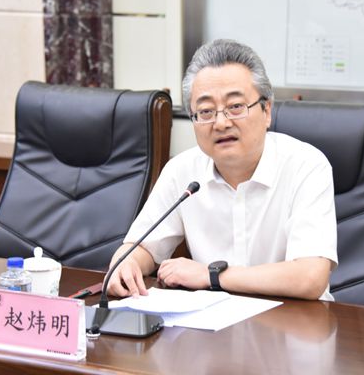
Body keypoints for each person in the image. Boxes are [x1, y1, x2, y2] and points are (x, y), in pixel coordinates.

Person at [107, 39, 337, 300]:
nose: (220, 123)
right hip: (212, 320)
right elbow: (142, 248)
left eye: (235, 107)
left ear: (266, 111)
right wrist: (125, 264)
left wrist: (211, 276)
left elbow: (310, 277)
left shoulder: (306, 166)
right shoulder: (182, 171)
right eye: (205, 111)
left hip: (294, 319)